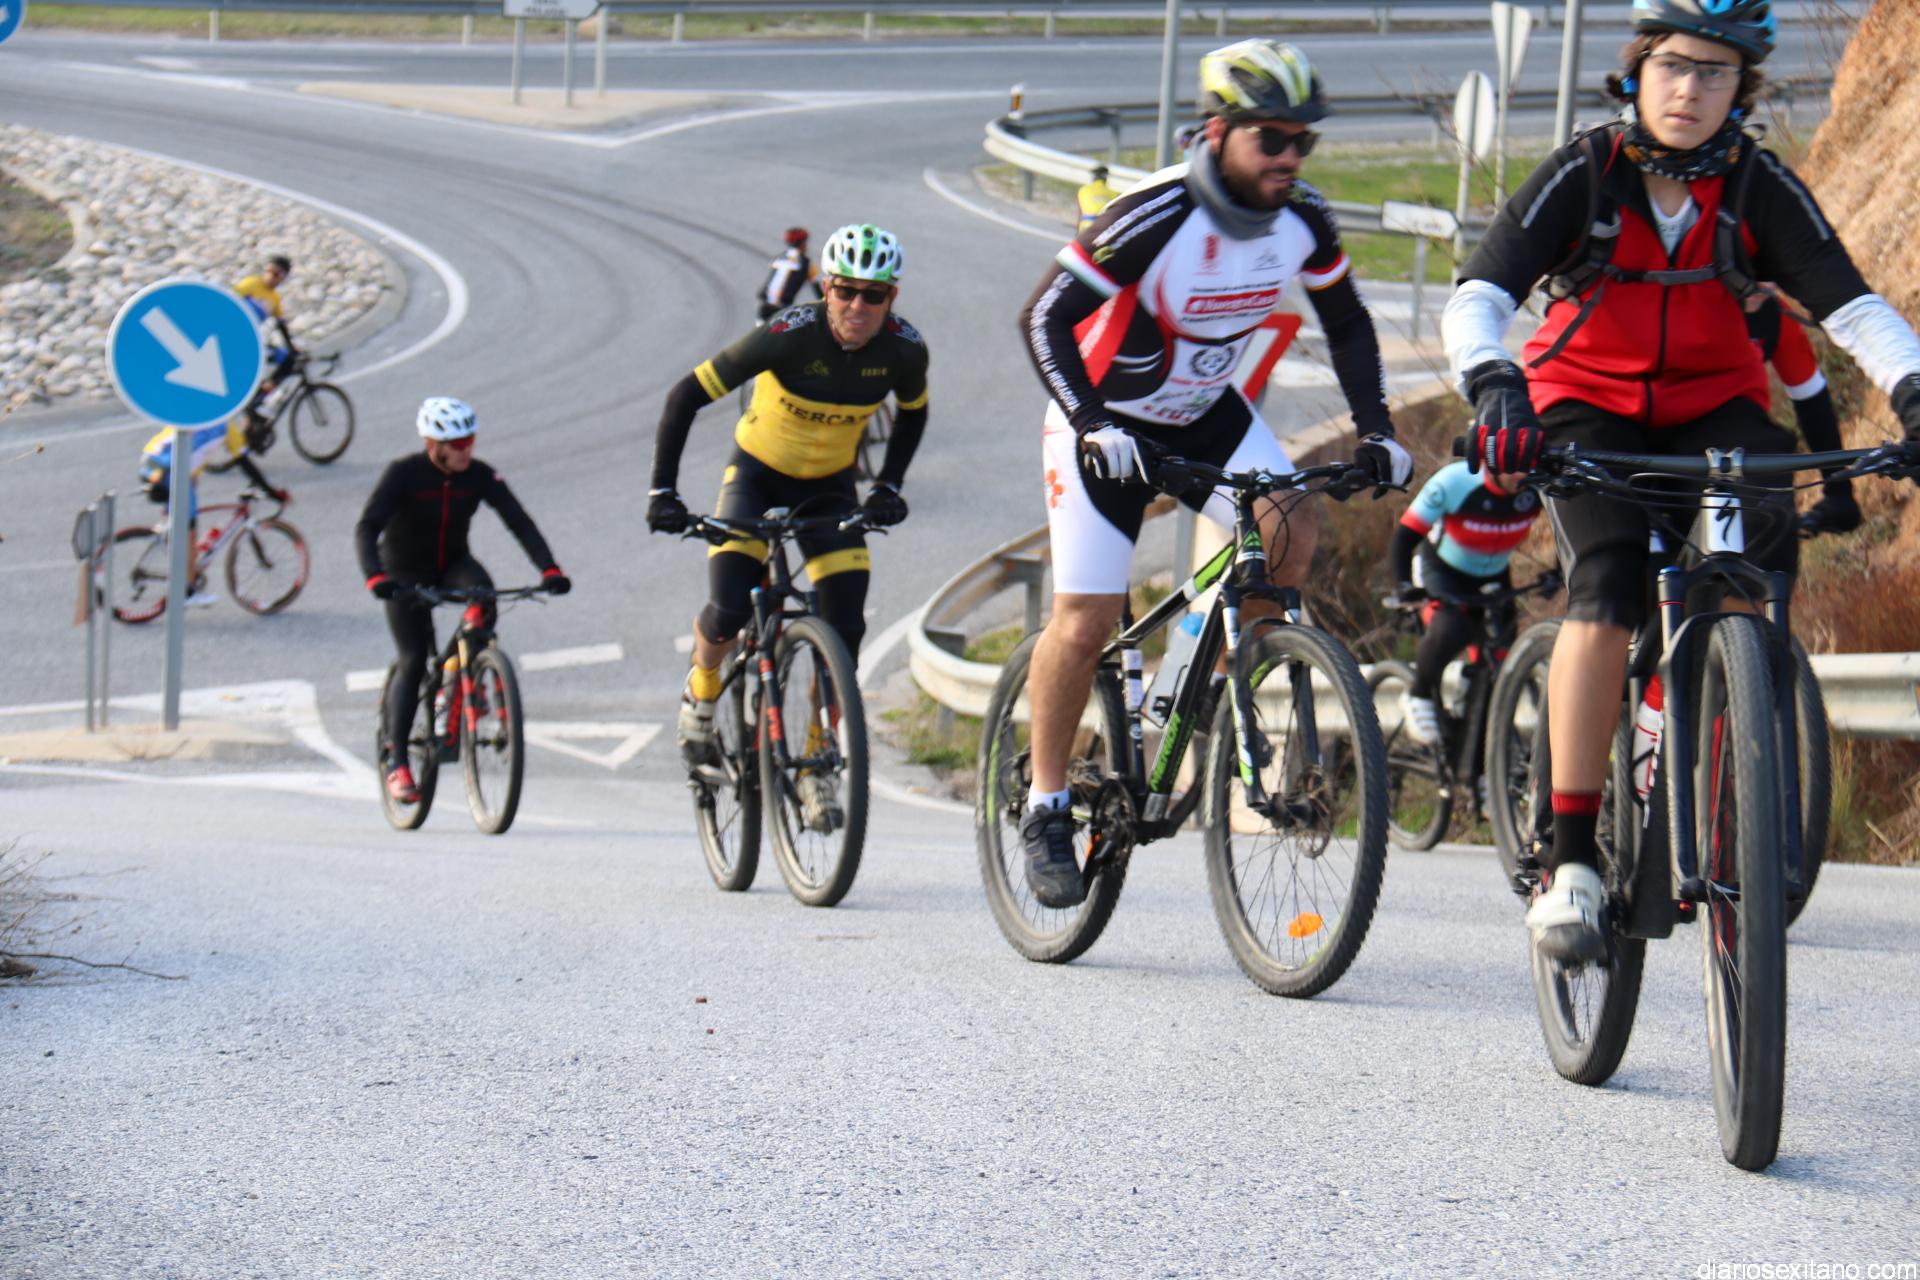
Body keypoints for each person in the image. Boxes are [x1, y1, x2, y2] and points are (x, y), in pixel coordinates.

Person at [1441, 0, 1920, 961]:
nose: (1690, 89)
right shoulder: (1587, 170)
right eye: (1673, 65)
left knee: (1751, 560)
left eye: (1714, 71)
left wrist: (1911, 387)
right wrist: (1495, 384)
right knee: (1607, 583)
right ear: (1637, 70)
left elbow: (1853, 307)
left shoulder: (1757, 184)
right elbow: (1481, 292)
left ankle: (1727, 761)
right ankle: (1571, 857)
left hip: (1716, 408)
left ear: (1742, 87)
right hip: (1582, 404)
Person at [1015, 38, 1413, 908]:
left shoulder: (1303, 217)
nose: (1289, 156)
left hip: (1203, 412)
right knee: (1084, 620)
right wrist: (1089, 422)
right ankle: (1046, 806)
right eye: (1272, 138)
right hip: (1105, 422)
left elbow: (1347, 323)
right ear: (1219, 131)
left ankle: (1210, 689)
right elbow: (1044, 317)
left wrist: (1377, 429)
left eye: (1303, 140)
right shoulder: (1156, 215)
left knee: (1290, 529)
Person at [647, 223, 930, 824]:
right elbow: (684, 396)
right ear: (826, 288)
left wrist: (888, 485)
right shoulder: (786, 335)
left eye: (873, 295)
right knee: (728, 608)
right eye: (845, 291)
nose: (858, 306)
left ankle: (816, 764)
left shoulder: (904, 351)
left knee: (844, 632)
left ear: (892, 298)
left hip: (829, 490)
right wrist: (662, 491)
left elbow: (913, 414)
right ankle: (701, 694)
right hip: (756, 476)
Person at [356, 397, 570, 804]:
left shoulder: (479, 475)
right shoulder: (403, 474)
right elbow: (367, 527)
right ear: (432, 445)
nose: (466, 450)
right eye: (457, 444)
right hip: (403, 572)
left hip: (452, 564)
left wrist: (550, 569)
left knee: (483, 596)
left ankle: (467, 668)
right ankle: (398, 762)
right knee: (413, 660)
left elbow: (518, 521)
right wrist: (376, 577)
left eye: (470, 440)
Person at [1388, 461, 1541, 745]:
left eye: (1526, 467)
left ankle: (1478, 752)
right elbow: (1405, 537)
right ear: (1489, 464)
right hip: (1442, 570)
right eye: (1512, 467)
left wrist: (1557, 571)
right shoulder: (1455, 482)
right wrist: (1403, 586)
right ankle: (1418, 694)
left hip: (1494, 575)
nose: (1521, 475)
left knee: (1502, 655)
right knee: (1452, 627)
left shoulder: (1539, 483)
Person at [1744, 285, 1858, 533]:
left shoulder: (1773, 313)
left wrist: (1839, 491)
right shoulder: (1689, 305)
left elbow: (1811, 399)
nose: (1766, 285)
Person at [137, 419, 286, 608]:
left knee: (183, 520)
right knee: (189, 533)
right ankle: (186, 592)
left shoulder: (201, 414)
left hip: (151, 462)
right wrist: (273, 493)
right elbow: (244, 463)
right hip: (169, 472)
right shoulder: (226, 427)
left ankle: (177, 553)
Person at [234, 255, 299, 438]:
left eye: (277, 274)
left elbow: (281, 326)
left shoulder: (274, 299)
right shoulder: (250, 284)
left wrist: (292, 348)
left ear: (283, 278)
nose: (271, 276)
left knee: (287, 360)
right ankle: (253, 403)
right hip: (238, 341)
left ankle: (260, 396)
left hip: (252, 342)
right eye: (269, 271)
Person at [757, 227, 823, 323]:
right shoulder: (806, 264)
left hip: (764, 306)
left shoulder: (778, 258)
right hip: (782, 310)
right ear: (803, 244)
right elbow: (817, 289)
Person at [1076, 164, 1120, 230]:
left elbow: (1080, 212)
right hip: (1104, 227)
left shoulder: (1083, 190)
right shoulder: (1114, 194)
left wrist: (1078, 231)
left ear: (1094, 177)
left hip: (1086, 225)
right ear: (1106, 178)